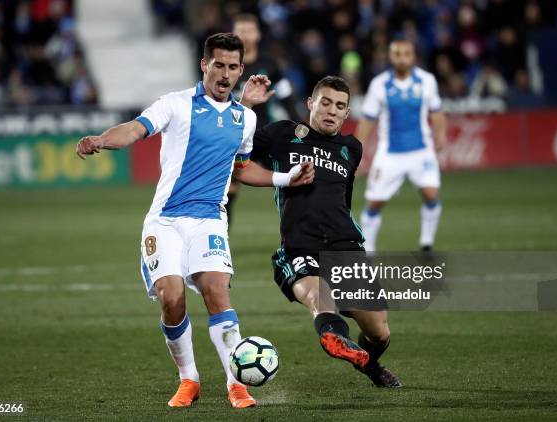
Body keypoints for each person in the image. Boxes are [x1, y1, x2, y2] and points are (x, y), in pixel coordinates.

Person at [76, 33, 314, 409]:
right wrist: (102, 140)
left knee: (217, 291)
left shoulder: (244, 119)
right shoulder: (175, 104)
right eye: (218, 64)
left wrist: (285, 178)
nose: (225, 73)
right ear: (205, 65)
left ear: (241, 70)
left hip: (209, 222)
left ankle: (237, 385)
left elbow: (241, 168)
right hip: (165, 222)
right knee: (172, 300)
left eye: (233, 66)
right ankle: (189, 379)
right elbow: (135, 129)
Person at [246, 76, 401, 388]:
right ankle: (333, 337)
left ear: (346, 114)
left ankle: (367, 363)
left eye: (340, 106)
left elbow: (343, 199)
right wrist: (246, 106)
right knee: (320, 297)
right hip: (300, 247)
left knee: (380, 332)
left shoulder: (350, 149)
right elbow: (235, 151)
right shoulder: (281, 135)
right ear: (311, 104)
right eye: (326, 102)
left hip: (345, 247)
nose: (332, 110)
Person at [355, 38, 447, 254]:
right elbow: (367, 119)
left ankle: (426, 243)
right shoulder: (379, 84)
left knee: (431, 195)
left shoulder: (427, 81)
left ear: (413, 56)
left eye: (406, 54)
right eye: (397, 54)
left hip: (421, 150)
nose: (402, 59)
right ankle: (368, 250)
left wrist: (441, 134)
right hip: (390, 154)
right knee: (375, 202)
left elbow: (437, 111)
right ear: (390, 57)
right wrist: (357, 152)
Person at [224, 13, 302, 228]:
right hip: (235, 134)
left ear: (257, 34)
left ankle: (298, 233)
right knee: (227, 189)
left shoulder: (269, 63)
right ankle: (220, 238)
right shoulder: (225, 64)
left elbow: (285, 96)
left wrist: (300, 125)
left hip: (265, 134)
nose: (246, 35)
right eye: (241, 30)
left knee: (288, 181)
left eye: (250, 30)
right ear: (234, 34)